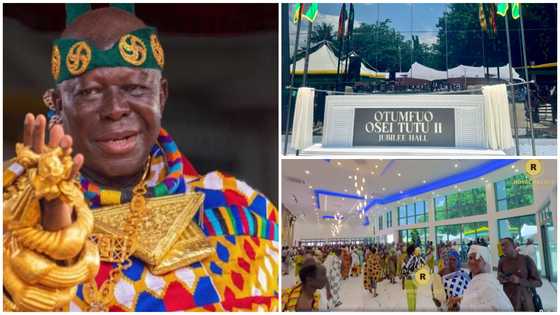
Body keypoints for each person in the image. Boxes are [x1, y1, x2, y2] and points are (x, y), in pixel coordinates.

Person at [3, 5, 278, 312]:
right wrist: (45, 228)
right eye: (90, 92)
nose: (115, 108)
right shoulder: (9, 216)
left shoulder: (242, 211)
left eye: (134, 88)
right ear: (57, 104)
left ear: (161, 95)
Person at [457, 245, 514, 311]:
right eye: (470, 258)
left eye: (477, 258)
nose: (472, 261)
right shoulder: (476, 281)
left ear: (485, 262)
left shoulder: (487, 283)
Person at [498, 237, 542, 311]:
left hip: (526, 303)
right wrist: (502, 279)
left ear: (514, 246)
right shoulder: (502, 262)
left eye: (505, 245)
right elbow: (500, 277)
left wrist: (519, 281)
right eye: (501, 245)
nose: (503, 248)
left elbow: (538, 283)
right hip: (509, 302)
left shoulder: (526, 260)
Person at [402, 245, 425, 311]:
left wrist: (403, 282)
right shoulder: (416, 258)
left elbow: (403, 271)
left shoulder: (406, 258)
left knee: (410, 299)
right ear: (412, 251)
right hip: (414, 280)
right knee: (413, 297)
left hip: (409, 281)